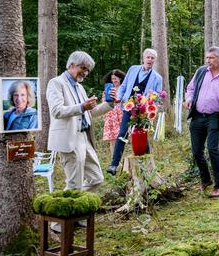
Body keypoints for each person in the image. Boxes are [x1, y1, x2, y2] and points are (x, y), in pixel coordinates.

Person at [47, 51, 117, 191]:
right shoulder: (56, 83)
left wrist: (110, 103)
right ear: (72, 65)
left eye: (88, 70)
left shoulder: (79, 87)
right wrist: (81, 106)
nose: (85, 73)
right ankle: (69, 209)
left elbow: (90, 113)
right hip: (69, 137)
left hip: (85, 137)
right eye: (83, 68)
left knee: (96, 179)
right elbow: (56, 111)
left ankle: (77, 203)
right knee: (74, 184)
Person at [184, 46, 219, 198]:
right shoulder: (201, 72)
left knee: (213, 149)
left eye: (211, 58)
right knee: (196, 151)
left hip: (215, 117)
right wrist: (188, 99)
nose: (208, 61)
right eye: (207, 58)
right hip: (197, 115)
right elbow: (190, 89)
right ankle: (206, 179)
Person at [107, 49, 163, 175]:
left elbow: (158, 96)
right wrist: (119, 97)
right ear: (143, 58)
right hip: (128, 107)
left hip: (143, 111)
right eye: (148, 57)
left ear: (155, 60)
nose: (150, 60)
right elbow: (124, 86)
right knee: (122, 134)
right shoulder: (133, 69)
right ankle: (114, 166)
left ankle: (149, 167)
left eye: (152, 58)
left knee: (142, 136)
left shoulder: (157, 78)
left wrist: (152, 96)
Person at [102, 69, 126, 153]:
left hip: (121, 114)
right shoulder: (108, 89)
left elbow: (127, 101)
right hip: (111, 115)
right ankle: (114, 158)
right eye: (112, 79)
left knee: (122, 137)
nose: (114, 80)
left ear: (120, 78)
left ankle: (122, 157)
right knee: (112, 139)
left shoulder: (124, 88)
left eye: (115, 78)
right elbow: (104, 102)